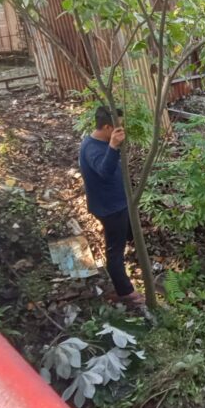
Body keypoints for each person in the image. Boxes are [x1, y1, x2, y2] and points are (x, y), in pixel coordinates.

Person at [79, 106, 143, 305]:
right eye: (118, 129)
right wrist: (114, 146)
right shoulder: (92, 148)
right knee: (115, 250)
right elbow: (104, 171)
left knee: (130, 233)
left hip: (119, 203)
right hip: (110, 208)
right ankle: (125, 292)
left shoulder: (101, 142)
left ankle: (136, 256)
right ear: (107, 127)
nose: (121, 132)